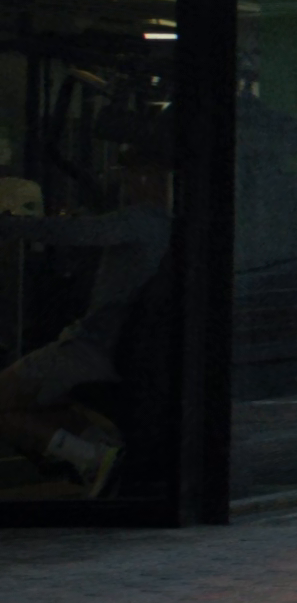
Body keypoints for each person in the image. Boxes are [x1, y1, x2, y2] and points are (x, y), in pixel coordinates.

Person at [0, 148, 173, 500]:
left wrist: (11, 226)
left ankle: (93, 459)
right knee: (41, 403)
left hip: (92, 346)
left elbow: (81, 233)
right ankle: (102, 453)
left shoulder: (141, 220)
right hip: (119, 348)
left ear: (148, 177)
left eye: (130, 175)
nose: (125, 184)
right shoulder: (171, 226)